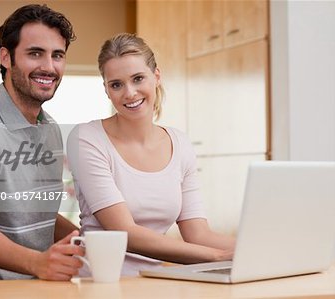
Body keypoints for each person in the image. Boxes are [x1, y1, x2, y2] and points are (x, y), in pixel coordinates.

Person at [67, 33, 235, 277]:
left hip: (154, 283)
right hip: (98, 283)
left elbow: (198, 234)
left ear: (156, 76)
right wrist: (218, 258)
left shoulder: (181, 144)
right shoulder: (86, 138)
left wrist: (260, 249)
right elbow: (124, 231)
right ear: (106, 89)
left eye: (138, 79)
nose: (130, 93)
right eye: (116, 84)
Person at [0, 4, 84, 281]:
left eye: (58, 55)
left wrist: (86, 239)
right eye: (35, 53)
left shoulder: (50, 129)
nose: (49, 66)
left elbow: (33, 214)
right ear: (6, 57)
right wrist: (40, 263)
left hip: (33, 288)